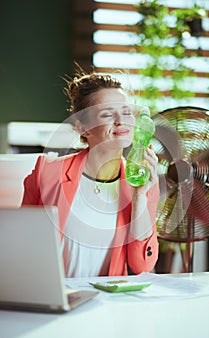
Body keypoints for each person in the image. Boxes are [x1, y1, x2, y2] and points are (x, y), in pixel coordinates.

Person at [22, 66, 160, 277]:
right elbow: (20, 246)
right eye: (107, 114)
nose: (121, 121)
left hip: (106, 303)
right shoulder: (47, 173)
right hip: (53, 298)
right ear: (83, 128)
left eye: (125, 112)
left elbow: (142, 265)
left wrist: (140, 196)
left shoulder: (143, 182)